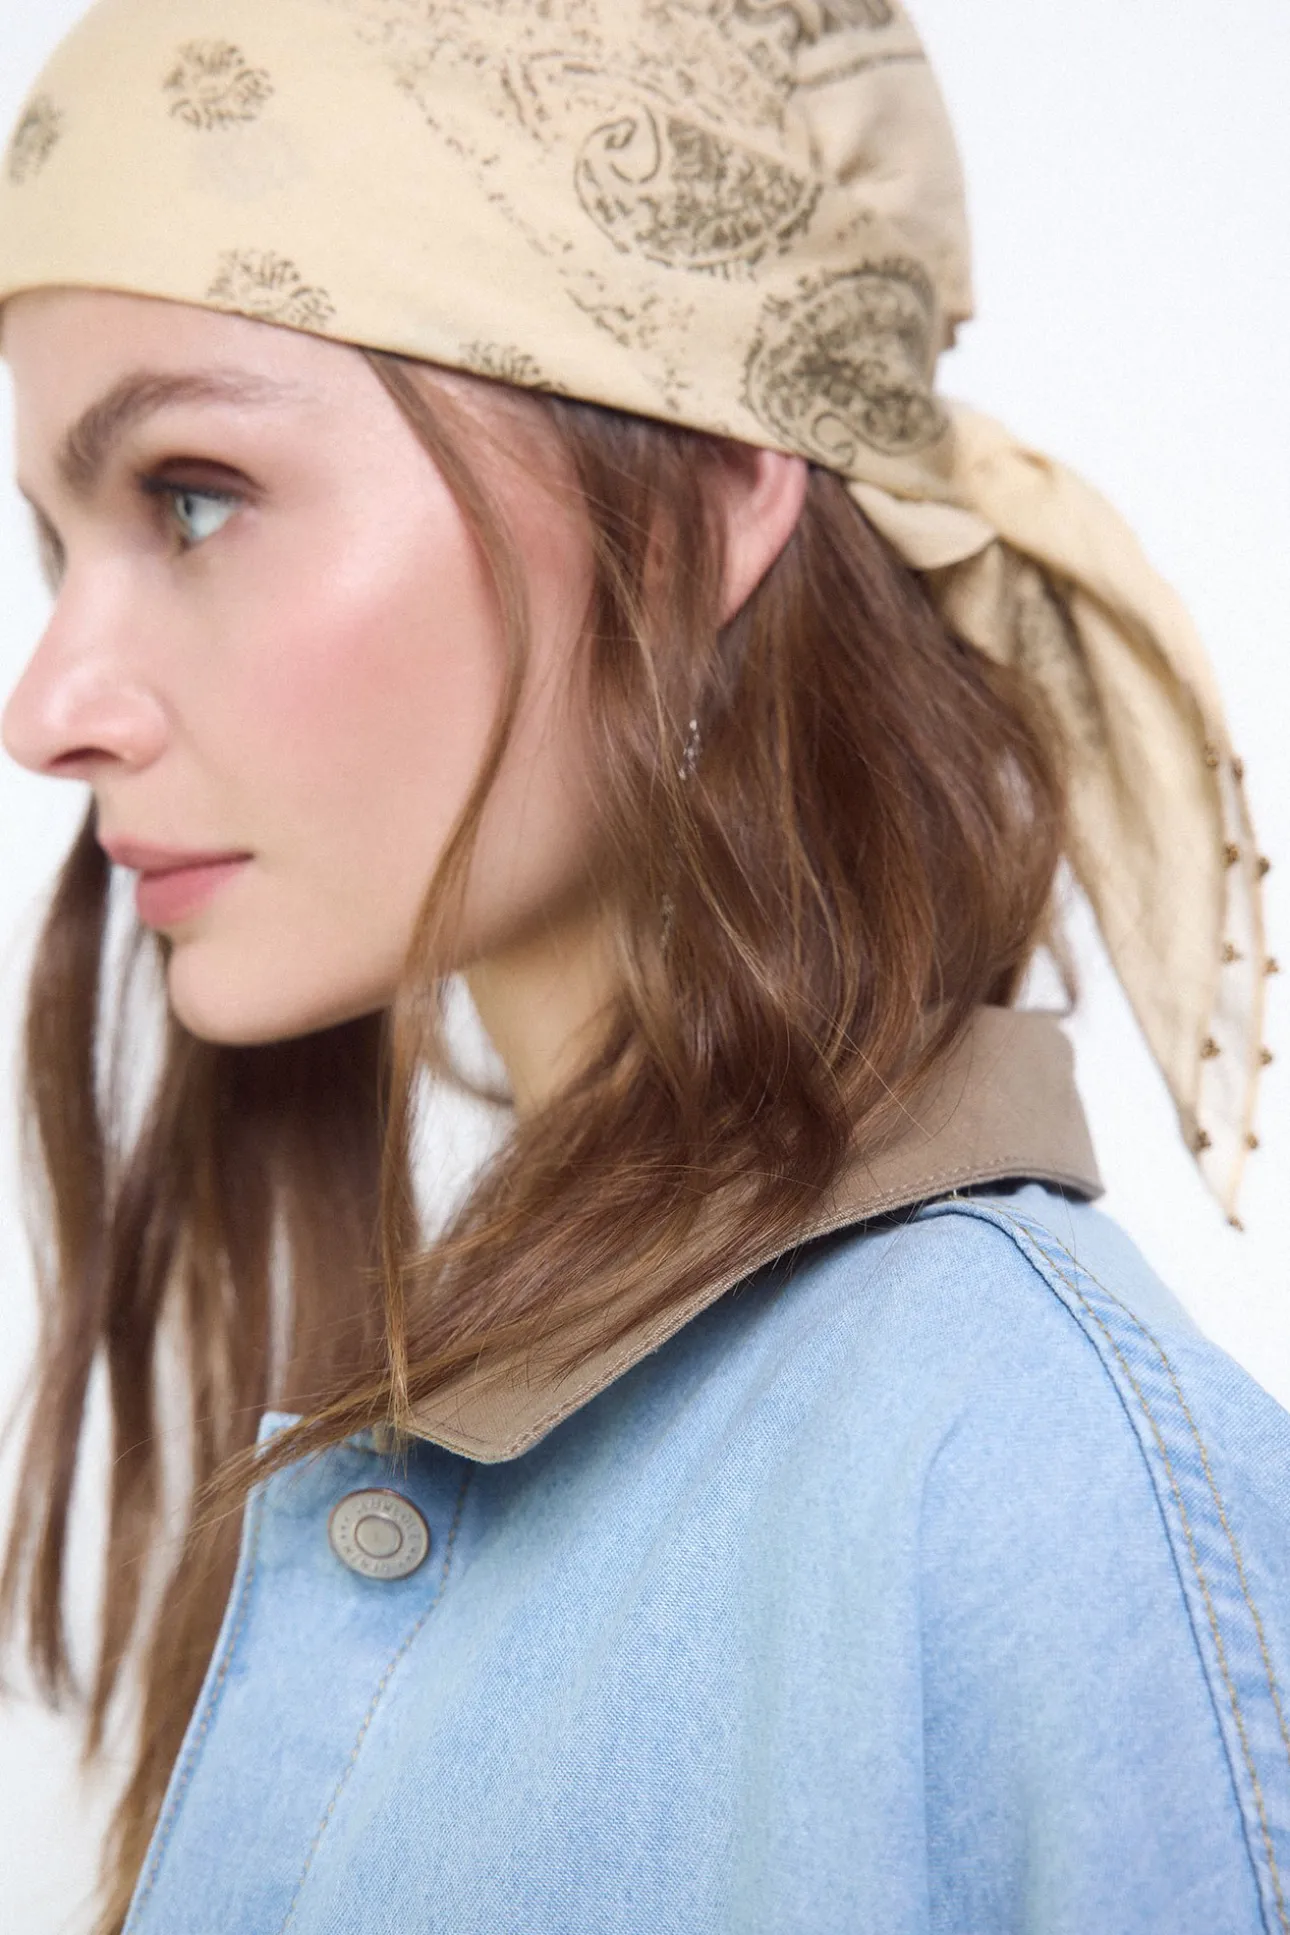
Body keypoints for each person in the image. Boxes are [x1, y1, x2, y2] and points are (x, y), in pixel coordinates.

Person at [0, 2, 1287, 1931]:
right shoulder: (444, 1419)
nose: (49, 705)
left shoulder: (1045, 1491)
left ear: (700, 499)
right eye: (54, 542)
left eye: (193, 497)